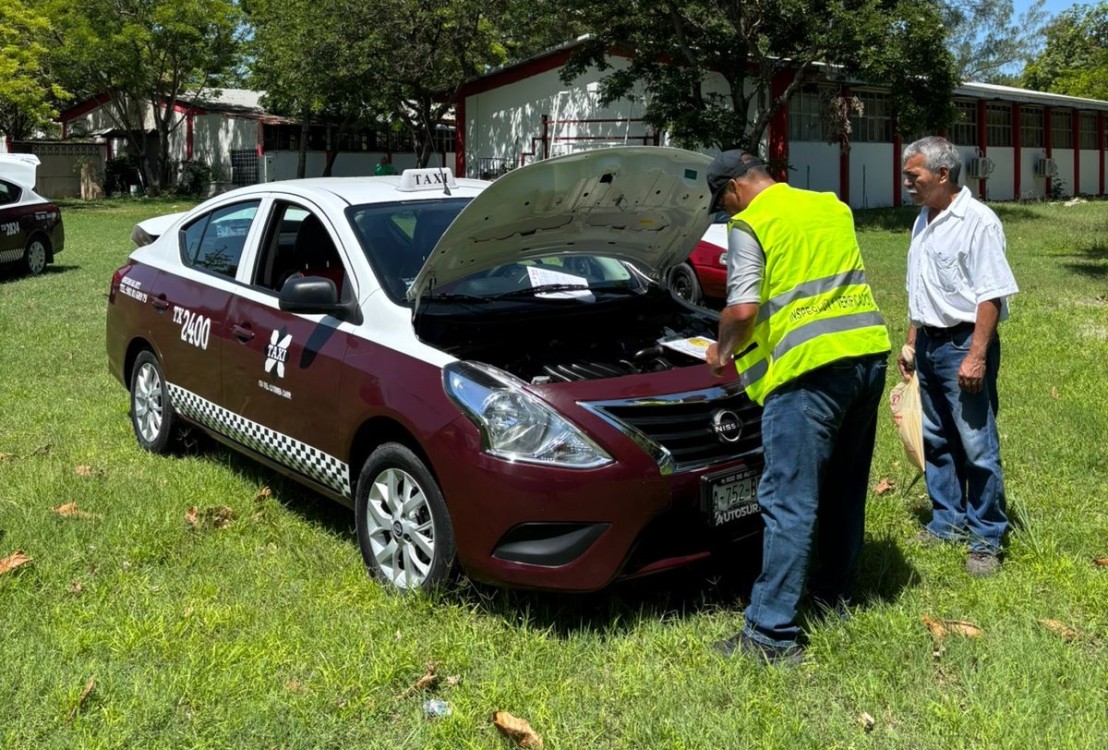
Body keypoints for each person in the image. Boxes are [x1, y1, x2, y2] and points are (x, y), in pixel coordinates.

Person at [704, 151, 891, 664]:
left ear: (735, 190)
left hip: (808, 373)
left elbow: (742, 309)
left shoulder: (750, 222)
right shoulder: (830, 205)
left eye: (721, 202)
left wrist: (720, 353)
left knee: (789, 501)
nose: (725, 212)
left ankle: (770, 634)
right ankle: (833, 598)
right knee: (845, 490)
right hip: (866, 355)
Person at [899, 136, 1018, 577]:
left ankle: (986, 536)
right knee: (937, 439)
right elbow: (921, 286)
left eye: (914, 176)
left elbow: (991, 294)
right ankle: (947, 521)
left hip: (963, 345)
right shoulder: (923, 219)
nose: (907, 183)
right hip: (929, 345)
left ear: (943, 174)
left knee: (977, 444)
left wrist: (976, 354)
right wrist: (912, 340)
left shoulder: (978, 222)